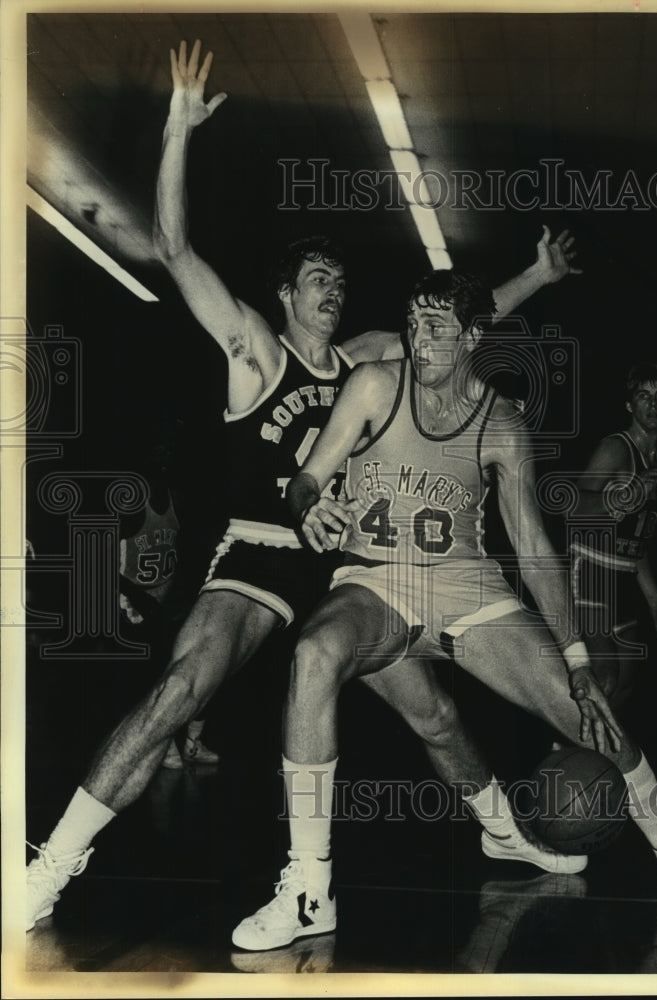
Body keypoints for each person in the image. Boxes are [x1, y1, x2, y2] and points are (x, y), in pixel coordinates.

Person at [26, 41, 582, 932]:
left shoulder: (366, 361)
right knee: (182, 691)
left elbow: (461, 325)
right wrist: (178, 129)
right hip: (264, 556)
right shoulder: (255, 352)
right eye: (319, 279)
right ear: (285, 295)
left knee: (437, 718)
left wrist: (539, 276)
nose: (334, 290)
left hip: (354, 570)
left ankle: (503, 835)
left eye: (340, 280)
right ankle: (49, 869)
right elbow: (173, 247)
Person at [230, 269, 657, 952]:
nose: (419, 337)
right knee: (316, 653)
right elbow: (306, 479)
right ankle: (308, 888)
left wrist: (578, 660)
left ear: (474, 336)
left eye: (437, 326)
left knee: (585, 712)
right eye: (414, 322)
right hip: (376, 581)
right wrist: (309, 507)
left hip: (467, 587)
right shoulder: (375, 385)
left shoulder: (500, 421)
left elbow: (533, 547)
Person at [570, 364, 657, 708]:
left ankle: (596, 742)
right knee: (604, 677)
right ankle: (563, 739)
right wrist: (621, 498)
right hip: (592, 570)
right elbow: (571, 508)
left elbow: (638, 542)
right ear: (629, 405)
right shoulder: (616, 448)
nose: (652, 403)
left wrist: (656, 602)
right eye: (643, 395)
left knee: (626, 683)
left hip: (624, 577)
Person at [117, 422, 219, 770]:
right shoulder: (129, 499)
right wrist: (129, 596)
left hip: (167, 595)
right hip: (131, 599)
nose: (165, 456)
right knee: (154, 675)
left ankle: (192, 743)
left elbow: (186, 550)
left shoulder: (177, 496)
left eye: (169, 450)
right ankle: (161, 746)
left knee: (206, 660)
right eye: (158, 449)